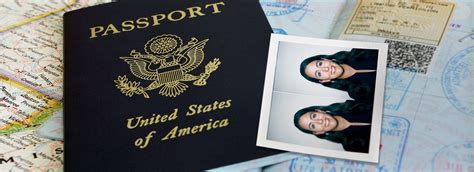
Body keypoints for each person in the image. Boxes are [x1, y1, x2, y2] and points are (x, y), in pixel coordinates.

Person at [300, 49, 378, 102]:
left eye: (320, 64)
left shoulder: (359, 50)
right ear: (324, 81)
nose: (326, 69)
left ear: (325, 59)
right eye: (319, 73)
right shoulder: (356, 94)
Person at [293, 100, 372, 153]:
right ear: (318, 132)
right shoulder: (350, 146)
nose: (320, 121)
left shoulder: (351, 105)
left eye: (314, 116)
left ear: (320, 111)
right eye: (313, 125)